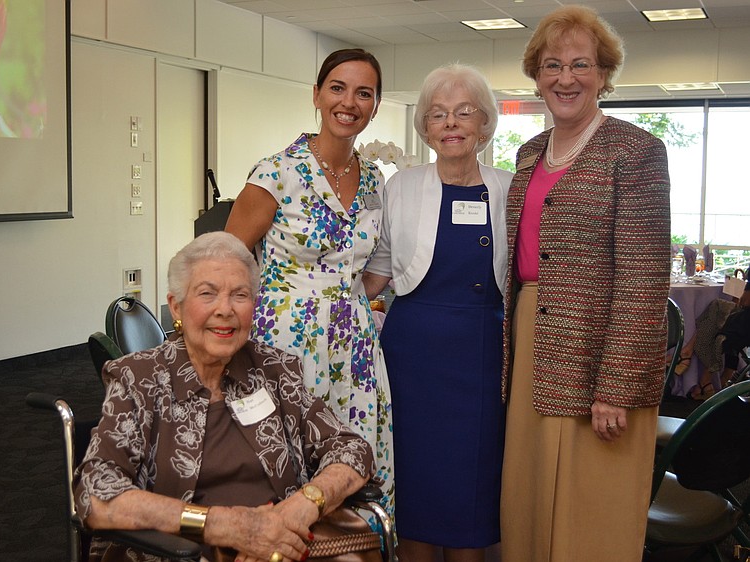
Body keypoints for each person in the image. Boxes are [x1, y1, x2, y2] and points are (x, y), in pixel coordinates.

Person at [74, 232, 375, 562]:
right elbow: (96, 494)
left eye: (240, 295)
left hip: (284, 544)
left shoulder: (274, 370)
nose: (225, 309)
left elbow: (352, 449)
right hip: (183, 552)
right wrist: (226, 527)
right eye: (207, 293)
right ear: (176, 305)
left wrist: (302, 506)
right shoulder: (139, 378)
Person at [498, 6, 671, 562]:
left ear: (603, 74)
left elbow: (644, 279)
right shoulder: (528, 154)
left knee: (590, 510)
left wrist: (616, 386)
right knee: (528, 497)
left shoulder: (636, 151)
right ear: (536, 74)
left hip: (601, 352)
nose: (565, 79)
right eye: (552, 65)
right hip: (533, 341)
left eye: (580, 65)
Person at [225, 48, 394, 516]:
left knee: (356, 463)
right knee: (289, 465)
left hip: (355, 341)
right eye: (338, 88)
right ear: (317, 95)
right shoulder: (276, 173)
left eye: (364, 93)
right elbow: (225, 263)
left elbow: (371, 269)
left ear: (376, 105)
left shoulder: (375, 179)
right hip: (287, 340)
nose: (349, 102)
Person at [362, 64, 512, 562]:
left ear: (485, 125)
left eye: (464, 113)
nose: (451, 123)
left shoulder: (510, 189)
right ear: (425, 128)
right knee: (417, 472)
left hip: (481, 353)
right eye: (438, 114)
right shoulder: (400, 187)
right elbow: (378, 266)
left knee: (472, 473)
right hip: (413, 355)